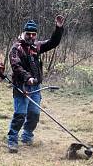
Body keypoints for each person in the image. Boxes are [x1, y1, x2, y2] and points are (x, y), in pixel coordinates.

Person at [6, 15, 65, 153]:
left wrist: (58, 28)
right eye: (29, 34)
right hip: (21, 86)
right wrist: (28, 78)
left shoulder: (36, 46)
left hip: (36, 87)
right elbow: (16, 66)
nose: (31, 36)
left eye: (34, 34)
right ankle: (12, 140)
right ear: (24, 33)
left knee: (34, 114)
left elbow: (53, 42)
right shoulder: (16, 48)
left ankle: (27, 136)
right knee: (20, 114)